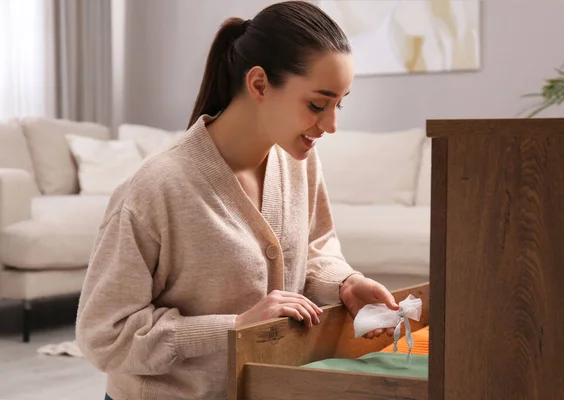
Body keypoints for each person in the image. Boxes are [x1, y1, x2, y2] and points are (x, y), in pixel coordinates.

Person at [76, 1, 399, 399]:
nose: (332, 125)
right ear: (259, 84)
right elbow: (103, 336)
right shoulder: (156, 188)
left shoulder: (299, 162)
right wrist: (235, 326)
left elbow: (314, 250)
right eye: (318, 104)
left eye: (340, 103)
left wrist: (345, 283)